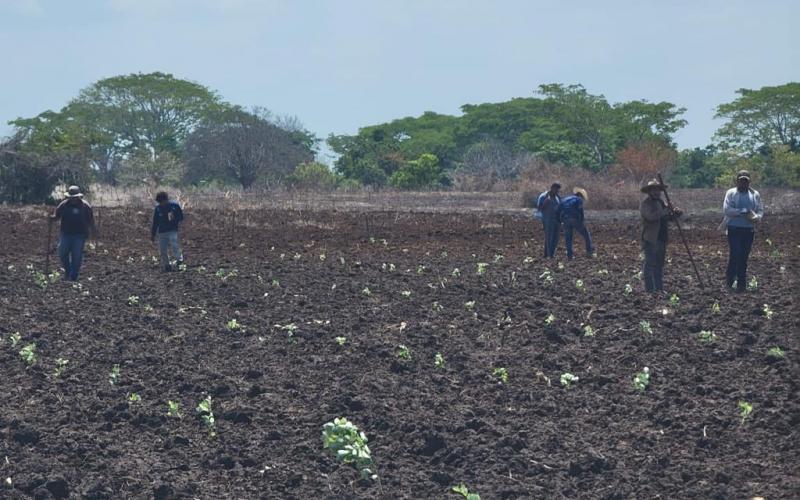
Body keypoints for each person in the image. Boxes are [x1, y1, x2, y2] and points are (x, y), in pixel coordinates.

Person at [722, 170, 763, 292]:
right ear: (737, 181)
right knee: (735, 253)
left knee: (744, 256)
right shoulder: (731, 193)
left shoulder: (755, 194)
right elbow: (727, 209)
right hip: (734, 228)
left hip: (749, 229)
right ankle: (729, 280)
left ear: (749, 181)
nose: (743, 183)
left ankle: (742, 284)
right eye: (741, 180)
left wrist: (757, 217)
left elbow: (760, 209)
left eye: (746, 181)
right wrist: (742, 211)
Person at [639, 179, 682, 293]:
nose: (656, 192)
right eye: (654, 190)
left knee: (659, 264)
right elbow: (651, 217)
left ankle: (659, 288)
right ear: (649, 191)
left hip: (662, 237)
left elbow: (666, 218)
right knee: (649, 264)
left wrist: (675, 214)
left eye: (658, 190)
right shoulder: (646, 204)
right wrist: (665, 211)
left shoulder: (661, 202)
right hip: (651, 238)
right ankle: (650, 289)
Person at [51, 185, 97, 281]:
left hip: (80, 234)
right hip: (66, 233)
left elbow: (91, 221)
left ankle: (74, 276)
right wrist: (52, 218)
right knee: (62, 252)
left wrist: (94, 232)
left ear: (78, 196)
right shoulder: (63, 205)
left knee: (76, 255)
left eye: (75, 197)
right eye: (71, 197)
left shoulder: (85, 206)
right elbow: (56, 216)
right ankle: (68, 270)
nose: (73, 199)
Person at [151, 191, 184, 271]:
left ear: (165, 200)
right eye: (160, 202)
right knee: (162, 249)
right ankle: (167, 265)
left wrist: (174, 219)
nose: (161, 204)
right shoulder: (158, 208)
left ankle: (179, 261)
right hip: (162, 232)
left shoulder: (175, 206)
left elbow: (181, 217)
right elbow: (155, 222)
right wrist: (153, 234)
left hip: (172, 230)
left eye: (161, 202)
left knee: (174, 245)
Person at [559, 187, 595, 259]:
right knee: (586, 235)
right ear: (580, 195)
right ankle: (589, 252)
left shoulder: (565, 199)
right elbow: (580, 210)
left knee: (568, 238)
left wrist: (560, 220)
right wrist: (582, 220)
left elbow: (559, 209)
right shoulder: (578, 200)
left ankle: (570, 256)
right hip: (574, 218)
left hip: (565, 219)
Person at [535, 183, 562, 258]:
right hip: (548, 219)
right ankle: (548, 255)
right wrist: (545, 203)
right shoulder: (544, 196)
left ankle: (551, 254)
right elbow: (539, 208)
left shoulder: (558, 197)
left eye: (558, 190)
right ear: (552, 188)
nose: (557, 191)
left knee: (555, 239)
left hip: (557, 220)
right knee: (549, 238)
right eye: (556, 190)